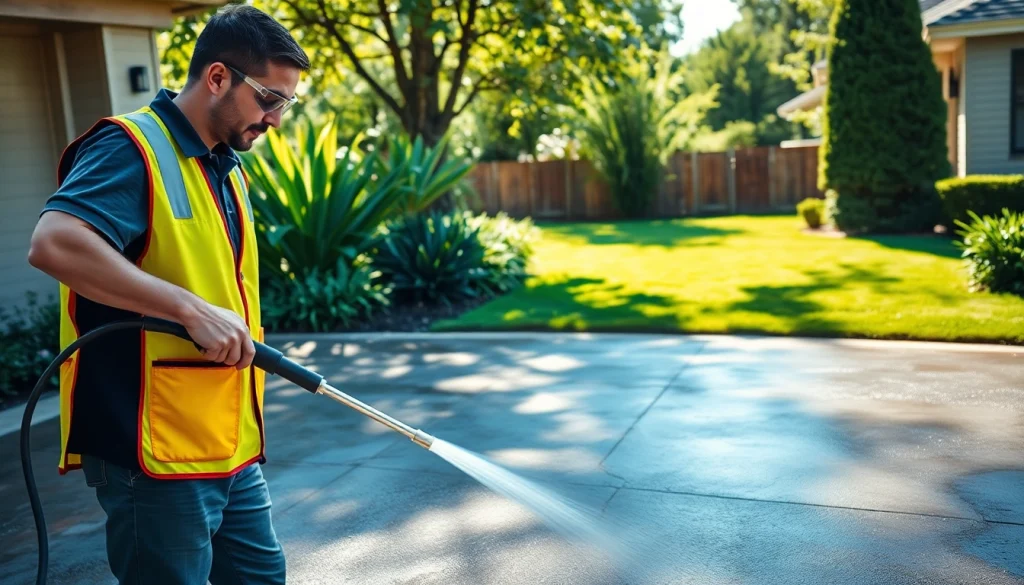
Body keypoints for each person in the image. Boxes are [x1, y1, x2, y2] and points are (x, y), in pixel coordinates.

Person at [27, 5, 310, 584]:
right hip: (151, 449)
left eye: (286, 103)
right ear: (217, 78)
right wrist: (187, 308)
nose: (277, 118)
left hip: (226, 441)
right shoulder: (130, 147)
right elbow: (54, 243)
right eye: (270, 98)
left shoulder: (224, 166)